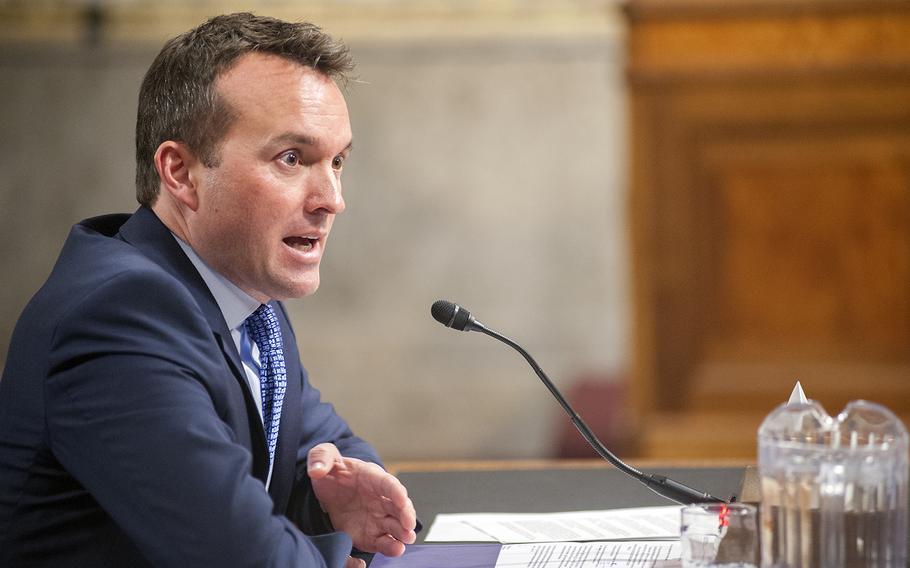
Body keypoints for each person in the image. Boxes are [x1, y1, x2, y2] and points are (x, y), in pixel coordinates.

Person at [0, 12, 417, 568]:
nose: (331, 199)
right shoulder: (119, 315)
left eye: (336, 161)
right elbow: (243, 556)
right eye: (292, 159)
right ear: (180, 172)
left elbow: (318, 444)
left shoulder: (243, 295)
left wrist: (333, 496)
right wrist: (333, 550)